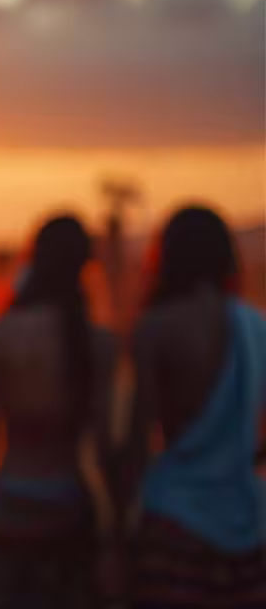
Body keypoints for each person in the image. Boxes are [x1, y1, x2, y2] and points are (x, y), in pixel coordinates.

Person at [0, 216, 115, 608]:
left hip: (8, 502)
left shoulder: (1, 331)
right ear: (85, 267)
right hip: (69, 506)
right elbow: (103, 445)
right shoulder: (98, 342)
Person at [122, 206, 266, 606]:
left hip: (173, 524)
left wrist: (118, 529)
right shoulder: (256, 328)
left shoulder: (155, 327)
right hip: (247, 529)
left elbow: (137, 440)